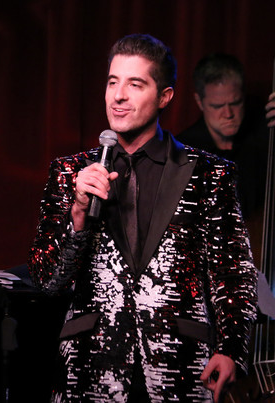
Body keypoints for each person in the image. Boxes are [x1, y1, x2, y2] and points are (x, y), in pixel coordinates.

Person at [28, 34, 257, 402]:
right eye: (112, 82)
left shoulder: (211, 174)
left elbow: (234, 274)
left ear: (164, 97)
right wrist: (78, 213)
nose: (118, 95)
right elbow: (47, 281)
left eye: (135, 84)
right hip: (89, 369)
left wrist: (231, 349)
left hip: (181, 367)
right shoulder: (70, 172)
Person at [177, 53, 269, 220]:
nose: (228, 114)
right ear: (199, 102)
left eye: (235, 103)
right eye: (217, 106)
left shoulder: (265, 135)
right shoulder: (182, 151)